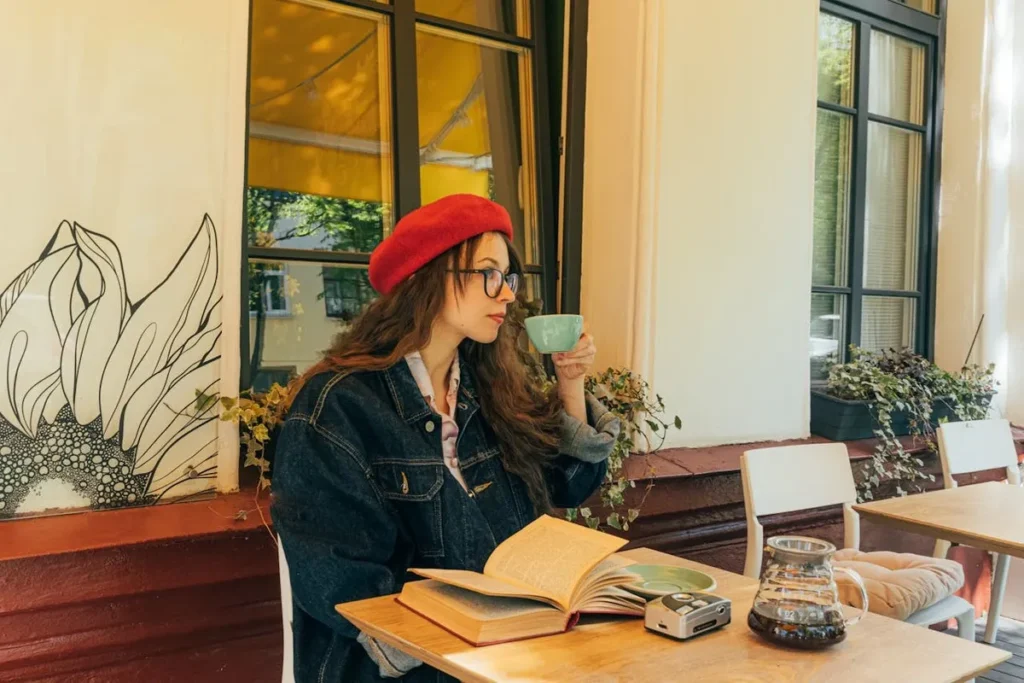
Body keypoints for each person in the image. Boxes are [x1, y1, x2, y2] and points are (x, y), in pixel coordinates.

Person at [271, 194, 620, 682]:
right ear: (425, 277)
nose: (507, 294)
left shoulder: (489, 388)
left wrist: (570, 383)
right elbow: (342, 579)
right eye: (489, 274)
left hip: (514, 655)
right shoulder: (339, 406)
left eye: (509, 278)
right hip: (410, 668)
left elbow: (569, 483)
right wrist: (469, 633)